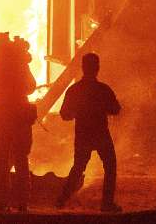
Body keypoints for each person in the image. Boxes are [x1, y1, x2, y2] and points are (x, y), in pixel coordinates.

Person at [55, 53, 121, 212]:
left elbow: (65, 114)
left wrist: (77, 112)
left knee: (78, 167)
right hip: (101, 134)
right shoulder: (103, 89)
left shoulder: (74, 90)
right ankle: (107, 203)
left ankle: (61, 200)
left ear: (83, 68)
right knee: (110, 166)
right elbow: (115, 109)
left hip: (83, 134)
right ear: (97, 68)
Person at [0, 32, 37, 213]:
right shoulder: (20, 68)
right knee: (21, 160)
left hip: (1, 120)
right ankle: (22, 202)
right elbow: (30, 87)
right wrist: (22, 62)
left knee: (1, 161)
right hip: (20, 119)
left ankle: (3, 202)